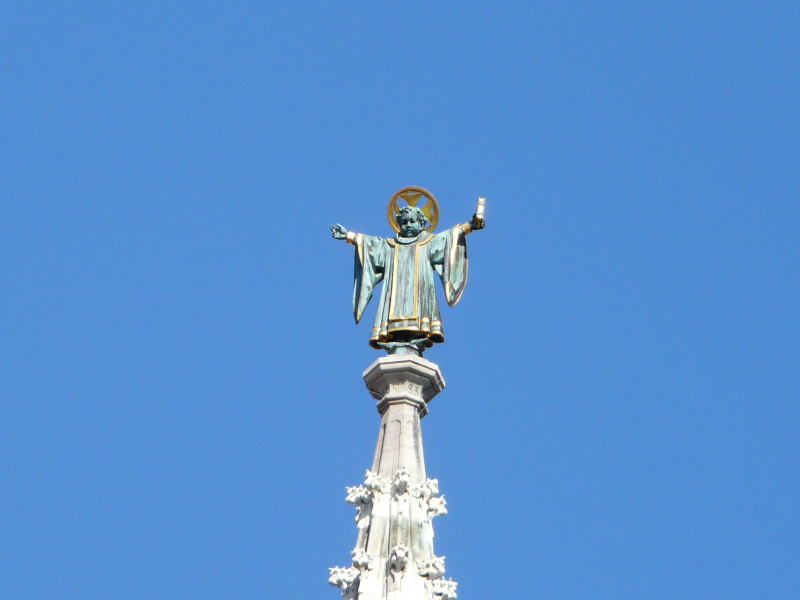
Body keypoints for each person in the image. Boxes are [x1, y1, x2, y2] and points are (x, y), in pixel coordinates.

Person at [330, 205, 484, 351]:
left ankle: (417, 335)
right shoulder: (390, 245)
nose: (408, 225)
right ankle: (395, 336)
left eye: (412, 221)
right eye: (404, 222)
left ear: (421, 224)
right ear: (398, 225)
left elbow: (449, 237)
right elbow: (371, 245)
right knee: (392, 312)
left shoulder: (428, 242)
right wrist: (349, 236)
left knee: (419, 312)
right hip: (394, 294)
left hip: (420, 291)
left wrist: (470, 226)